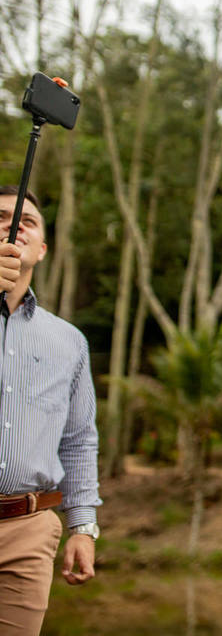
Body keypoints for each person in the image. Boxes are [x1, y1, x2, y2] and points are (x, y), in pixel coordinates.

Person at [0, 187, 100, 636]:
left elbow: (79, 439)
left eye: (28, 221)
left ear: (41, 250)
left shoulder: (68, 342)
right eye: (3, 216)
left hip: (28, 530)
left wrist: (83, 526)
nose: (16, 223)